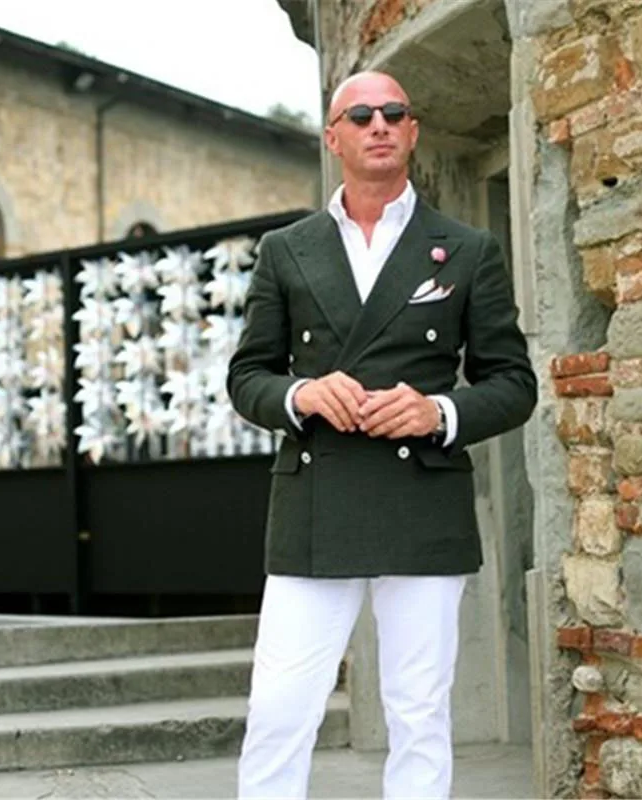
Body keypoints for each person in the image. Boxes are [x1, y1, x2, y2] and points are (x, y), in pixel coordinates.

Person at [226, 71, 537, 799]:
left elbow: (513, 383)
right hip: (315, 503)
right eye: (361, 114)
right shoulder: (287, 249)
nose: (379, 125)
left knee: (419, 711)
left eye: (395, 112)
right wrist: (302, 393)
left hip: (420, 501)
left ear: (412, 131)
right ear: (333, 137)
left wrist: (439, 413)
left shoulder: (466, 249)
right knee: (280, 707)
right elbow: (247, 377)